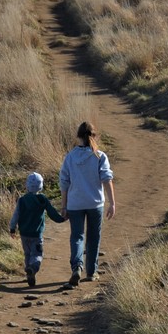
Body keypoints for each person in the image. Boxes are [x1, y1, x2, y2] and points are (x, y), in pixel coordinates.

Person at [59, 122, 116, 287]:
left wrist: (64, 205)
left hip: (75, 203)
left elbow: (64, 182)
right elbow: (107, 179)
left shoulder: (70, 157)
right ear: (94, 135)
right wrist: (112, 202)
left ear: (78, 136)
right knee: (93, 237)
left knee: (77, 236)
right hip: (95, 203)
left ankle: (77, 267)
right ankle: (91, 272)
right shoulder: (100, 156)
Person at [9, 172, 66, 287]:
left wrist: (12, 228)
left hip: (24, 233)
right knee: (37, 254)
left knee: (27, 254)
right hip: (37, 234)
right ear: (41, 186)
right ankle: (33, 269)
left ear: (27, 185)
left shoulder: (22, 200)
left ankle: (28, 273)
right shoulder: (42, 199)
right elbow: (52, 213)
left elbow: (16, 215)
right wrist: (62, 219)